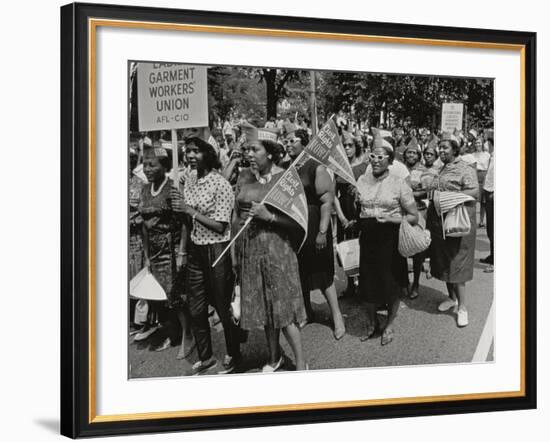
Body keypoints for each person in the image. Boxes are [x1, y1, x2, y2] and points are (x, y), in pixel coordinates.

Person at [232, 138, 308, 371]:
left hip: (278, 252)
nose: (250, 154)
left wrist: (270, 217)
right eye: (247, 150)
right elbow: (236, 217)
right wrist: (235, 253)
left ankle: (302, 363)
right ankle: (274, 357)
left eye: (256, 149)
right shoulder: (244, 176)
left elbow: (300, 222)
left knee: (283, 309)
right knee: (265, 308)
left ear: (271, 153)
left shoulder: (286, 179)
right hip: (250, 250)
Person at [170, 137, 243, 375]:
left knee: (222, 305)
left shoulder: (220, 184)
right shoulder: (188, 179)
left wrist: (190, 211)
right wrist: (179, 204)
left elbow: (222, 226)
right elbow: (186, 219)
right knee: (196, 306)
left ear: (207, 155)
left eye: (196, 152)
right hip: (196, 249)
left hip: (217, 248)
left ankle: (234, 353)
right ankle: (206, 356)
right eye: (188, 151)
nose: (191, 156)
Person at [355, 137, 418, 345]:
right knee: (367, 283)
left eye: (380, 157)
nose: (375, 160)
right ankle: (373, 322)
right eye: (372, 155)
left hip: (390, 240)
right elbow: (359, 208)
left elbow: (413, 216)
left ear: (390, 161)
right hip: (368, 239)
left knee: (391, 284)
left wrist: (391, 218)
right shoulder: (362, 181)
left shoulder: (399, 184)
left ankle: (389, 324)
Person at [286, 128, 346, 340]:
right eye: (286, 140)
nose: (288, 143)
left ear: (304, 143)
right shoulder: (288, 168)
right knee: (300, 271)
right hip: (296, 227)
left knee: (322, 273)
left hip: (315, 225)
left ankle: (337, 317)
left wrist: (322, 231)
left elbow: (326, 202)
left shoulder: (315, 167)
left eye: (292, 140)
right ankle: (307, 311)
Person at [138, 145, 192, 354]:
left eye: (152, 165)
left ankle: (187, 336)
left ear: (164, 166)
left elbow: (184, 223)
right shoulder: (144, 189)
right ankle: (172, 333)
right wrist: (146, 255)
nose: (147, 169)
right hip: (153, 250)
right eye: (145, 164)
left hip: (171, 250)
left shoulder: (172, 189)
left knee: (176, 297)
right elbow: (144, 224)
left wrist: (182, 252)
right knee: (158, 296)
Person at [426, 133, 479, 327]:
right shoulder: (442, 168)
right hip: (440, 224)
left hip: (457, 222)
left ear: (455, 149)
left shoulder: (465, 168)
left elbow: (474, 192)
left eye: (445, 147)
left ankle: (463, 307)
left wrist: (451, 196)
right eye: (440, 147)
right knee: (444, 261)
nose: (441, 150)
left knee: (457, 264)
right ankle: (452, 298)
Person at [334, 133, 368, 296]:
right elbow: (333, 194)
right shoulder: (337, 167)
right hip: (343, 210)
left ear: (356, 146)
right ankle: (350, 286)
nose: (347, 148)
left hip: (361, 211)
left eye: (350, 145)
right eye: (344, 145)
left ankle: (363, 285)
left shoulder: (365, 166)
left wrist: (358, 217)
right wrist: (341, 217)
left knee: (362, 247)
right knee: (345, 248)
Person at [403, 140, 427, 299]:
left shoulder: (423, 171)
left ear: (418, 155)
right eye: (409, 152)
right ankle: (403, 282)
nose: (411, 155)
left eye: (414, 153)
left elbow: (426, 191)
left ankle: (416, 283)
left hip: (418, 212)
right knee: (401, 248)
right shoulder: (399, 169)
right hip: (402, 212)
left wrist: (408, 194)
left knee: (417, 250)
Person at [471, 137, 491, 227]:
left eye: (479, 143)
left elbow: (489, 167)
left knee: (483, 201)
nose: (477, 144)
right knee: (474, 200)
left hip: (484, 176)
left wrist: (487, 177)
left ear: (482, 144)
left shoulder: (487, 155)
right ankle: (473, 220)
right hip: (475, 176)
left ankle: (482, 221)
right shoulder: (472, 155)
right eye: (476, 143)